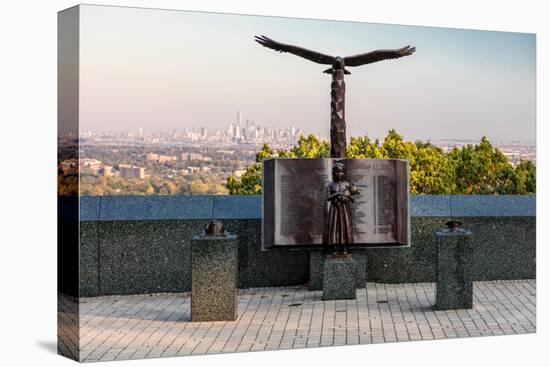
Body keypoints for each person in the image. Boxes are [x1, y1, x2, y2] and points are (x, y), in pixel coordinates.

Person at [324, 161, 360, 254]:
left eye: (341, 172)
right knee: (334, 227)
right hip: (334, 209)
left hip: (344, 209)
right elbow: (328, 198)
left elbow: (352, 197)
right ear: (334, 173)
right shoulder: (331, 185)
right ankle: (334, 247)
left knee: (344, 226)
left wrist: (349, 197)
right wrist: (337, 194)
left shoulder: (347, 184)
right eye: (337, 172)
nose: (339, 174)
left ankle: (344, 247)